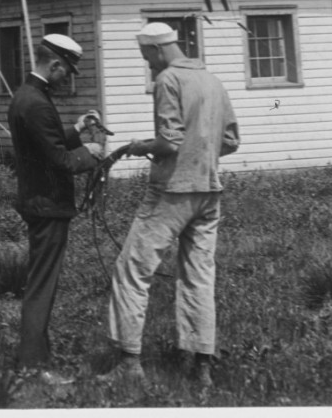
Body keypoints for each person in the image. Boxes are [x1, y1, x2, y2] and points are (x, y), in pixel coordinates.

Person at [98, 22, 240, 396]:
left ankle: (129, 363)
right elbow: (230, 141)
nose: (148, 65)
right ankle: (201, 367)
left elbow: (171, 141)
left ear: (157, 50)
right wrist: (202, 152)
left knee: (131, 271)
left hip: (171, 191)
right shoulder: (212, 80)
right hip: (209, 192)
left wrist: (139, 145)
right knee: (199, 276)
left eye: (146, 57)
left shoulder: (167, 80)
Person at [8, 33, 105, 385]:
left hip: (37, 202)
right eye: (68, 72)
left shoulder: (26, 96)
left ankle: (34, 358)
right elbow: (59, 161)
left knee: (39, 282)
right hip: (48, 206)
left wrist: (77, 130)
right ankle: (34, 367)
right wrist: (89, 153)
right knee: (42, 287)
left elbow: (45, 142)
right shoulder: (37, 103)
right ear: (55, 65)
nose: (68, 79)